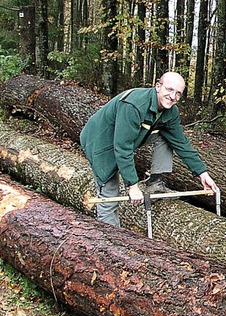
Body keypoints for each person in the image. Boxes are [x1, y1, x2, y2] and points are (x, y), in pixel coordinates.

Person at [80, 71, 218, 226]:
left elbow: (181, 143)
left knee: (167, 137)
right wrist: (132, 185)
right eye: (169, 90)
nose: (173, 97)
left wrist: (202, 173)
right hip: (100, 141)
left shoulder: (170, 112)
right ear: (158, 86)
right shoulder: (134, 105)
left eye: (178, 93)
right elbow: (122, 148)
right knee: (109, 195)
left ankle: (155, 182)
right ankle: (109, 242)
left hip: (124, 139)